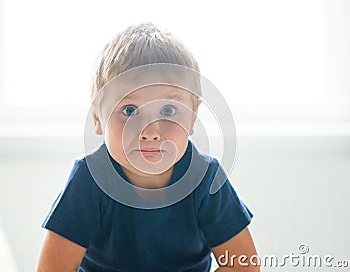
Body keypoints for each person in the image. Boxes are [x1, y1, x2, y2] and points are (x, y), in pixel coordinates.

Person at [36, 23, 259, 272]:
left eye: (168, 110)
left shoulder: (205, 178)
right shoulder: (90, 178)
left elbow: (244, 266)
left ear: (193, 119)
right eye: (129, 111)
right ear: (97, 119)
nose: (151, 132)